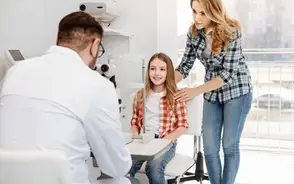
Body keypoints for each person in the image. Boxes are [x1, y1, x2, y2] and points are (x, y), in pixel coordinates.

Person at [0, 11, 135, 184]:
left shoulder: (15, 71)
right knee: (121, 180)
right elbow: (116, 166)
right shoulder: (97, 84)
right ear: (95, 45)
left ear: (59, 40)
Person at [174, 0, 253, 184]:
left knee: (229, 146)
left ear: (215, 10)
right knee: (209, 149)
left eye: (202, 12)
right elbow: (185, 65)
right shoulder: (193, 33)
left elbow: (227, 74)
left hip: (237, 91)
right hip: (212, 94)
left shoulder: (232, 32)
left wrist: (195, 90)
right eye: (194, 11)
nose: (197, 17)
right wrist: (162, 84)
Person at [129, 53, 189, 184]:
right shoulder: (140, 95)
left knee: (153, 169)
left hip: (165, 143)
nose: (157, 73)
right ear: (148, 71)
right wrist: (136, 137)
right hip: (144, 140)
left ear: (168, 73)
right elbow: (134, 121)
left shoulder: (175, 96)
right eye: (152, 68)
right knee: (125, 167)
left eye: (162, 69)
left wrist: (163, 142)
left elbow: (183, 125)